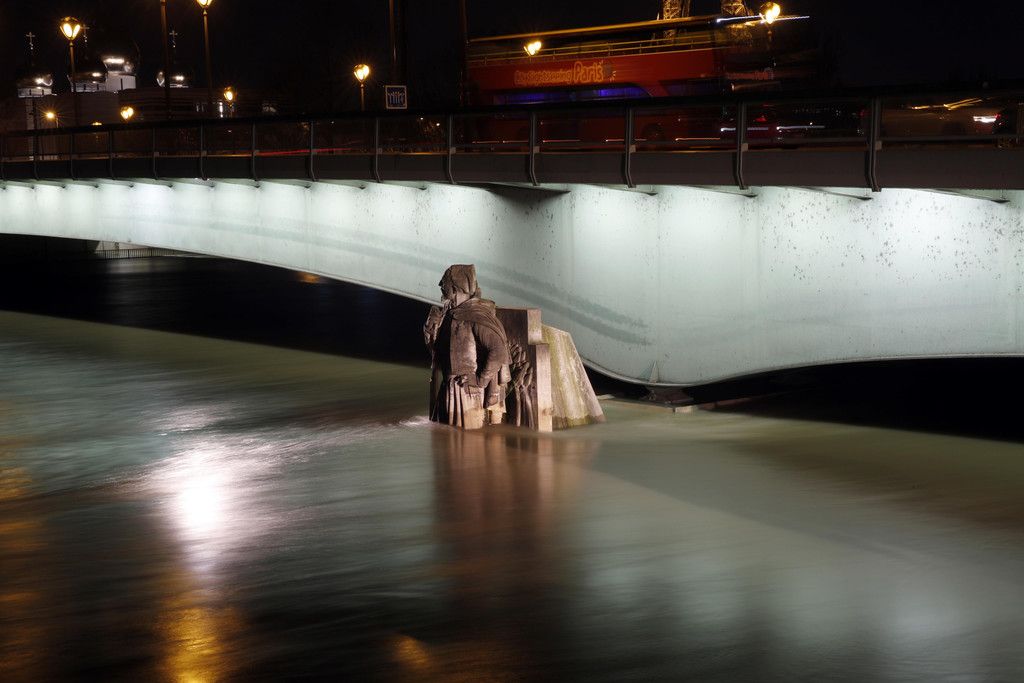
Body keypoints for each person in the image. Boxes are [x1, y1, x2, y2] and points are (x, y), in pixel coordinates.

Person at [424, 265, 511, 429]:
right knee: (449, 446)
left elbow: (499, 351)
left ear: (455, 287)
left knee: (468, 446)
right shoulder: (450, 313)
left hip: (467, 392)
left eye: (444, 283)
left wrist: (480, 380)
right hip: (448, 387)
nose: (440, 286)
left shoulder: (475, 315)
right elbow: (439, 352)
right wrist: (430, 330)